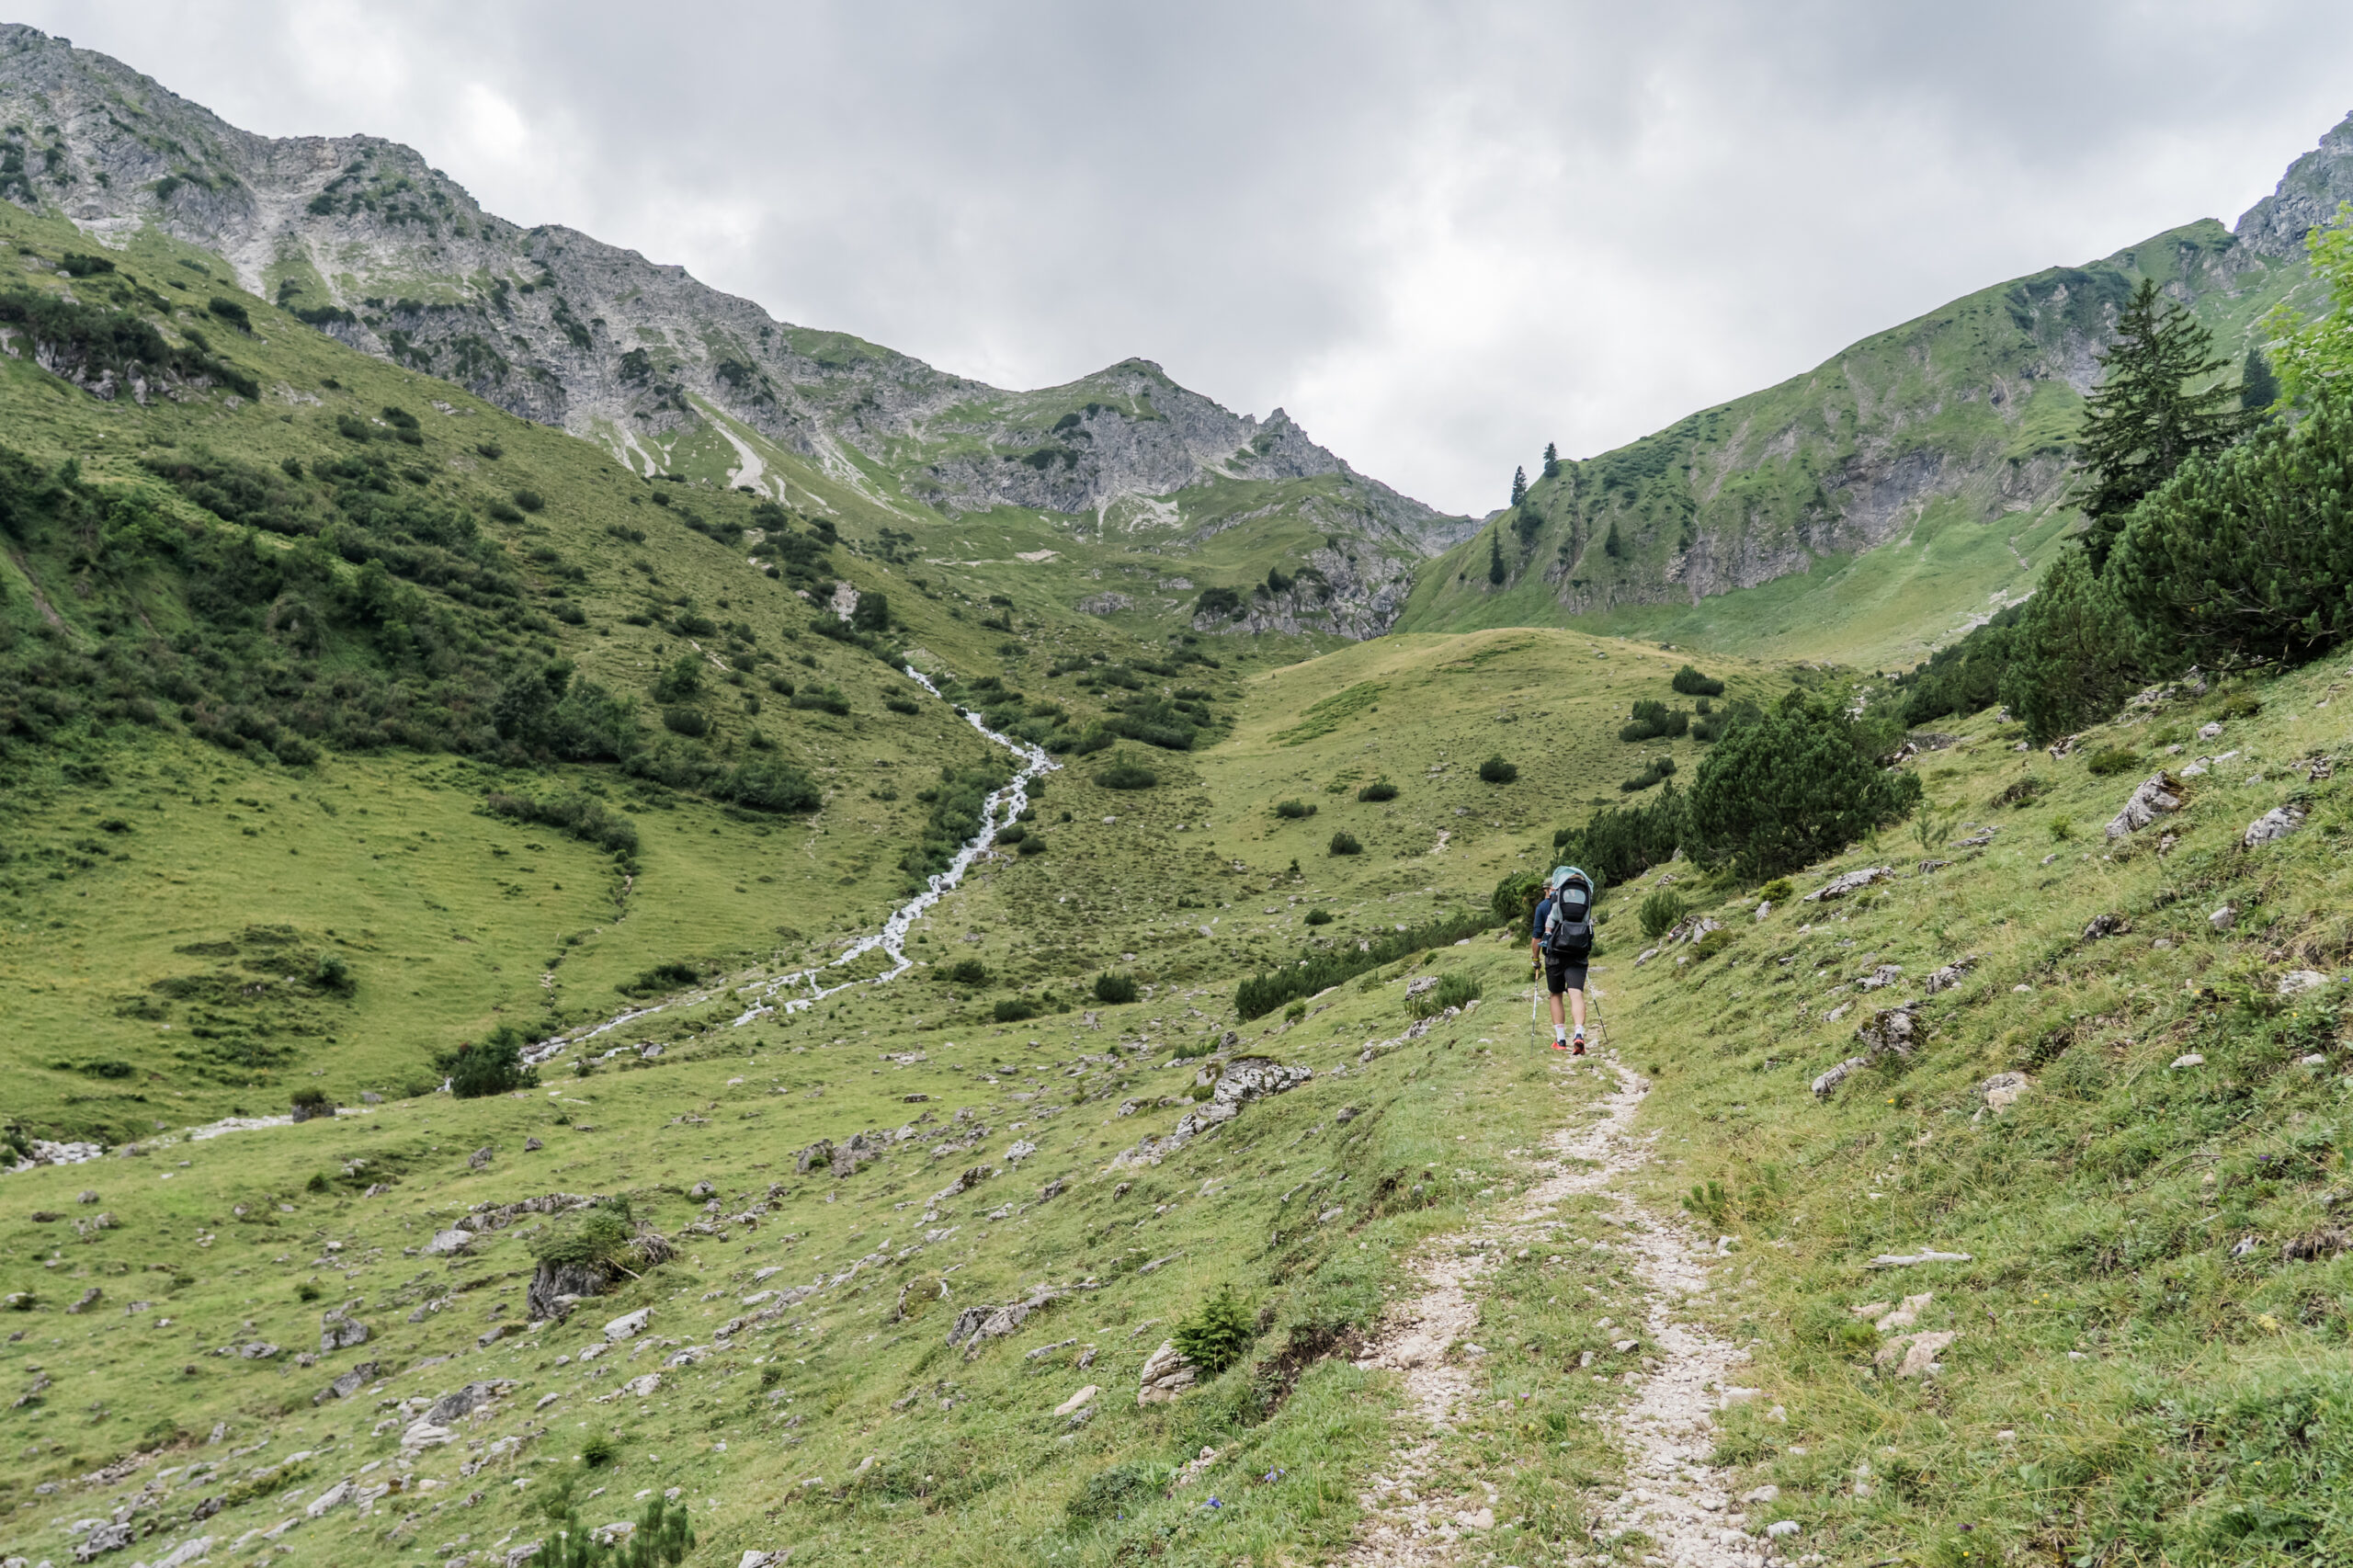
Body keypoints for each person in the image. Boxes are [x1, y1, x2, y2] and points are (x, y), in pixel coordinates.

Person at [1529, 865, 1597, 1053]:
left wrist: (1535, 959)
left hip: (1555, 954)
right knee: (1576, 993)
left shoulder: (1544, 906)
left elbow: (1537, 936)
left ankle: (1560, 1040)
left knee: (1556, 994)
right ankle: (1579, 1034)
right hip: (1578, 951)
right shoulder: (1582, 898)